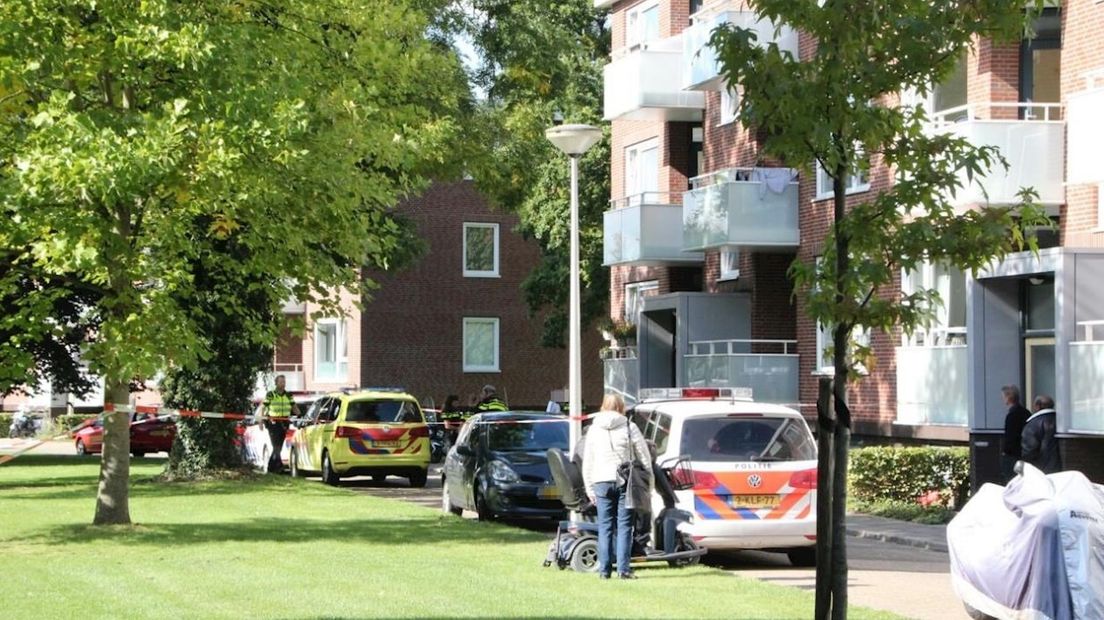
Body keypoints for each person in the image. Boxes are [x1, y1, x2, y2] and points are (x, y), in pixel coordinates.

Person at [582, 393, 653, 580]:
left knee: (604, 526)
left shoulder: (594, 429)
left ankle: (604, 571)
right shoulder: (630, 426)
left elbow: (587, 461)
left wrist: (589, 488)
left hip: (600, 481)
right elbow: (644, 457)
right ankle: (623, 570)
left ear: (603, 406)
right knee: (624, 526)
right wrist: (649, 482)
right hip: (625, 481)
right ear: (621, 407)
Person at [262, 375, 300, 474]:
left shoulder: (288, 395)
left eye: (284, 381)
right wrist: (261, 421)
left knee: (278, 446)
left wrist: (300, 415)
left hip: (284, 423)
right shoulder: (271, 394)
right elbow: (263, 408)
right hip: (273, 423)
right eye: (281, 382)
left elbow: (294, 407)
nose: (283, 384)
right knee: (276, 446)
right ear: (276, 383)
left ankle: (271, 468)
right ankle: (279, 467)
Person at [1021, 394, 1061, 474]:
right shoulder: (1061, 421)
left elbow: (1029, 451)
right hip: (1061, 469)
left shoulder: (1033, 425)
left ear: (1037, 406)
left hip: (1040, 469)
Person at [999, 385, 1031, 482]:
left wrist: (1006, 451)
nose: (1003, 399)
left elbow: (1011, 436)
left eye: (1003, 396)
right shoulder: (1026, 412)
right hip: (1024, 453)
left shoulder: (1012, 415)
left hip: (1013, 455)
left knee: (1011, 481)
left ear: (1009, 398)